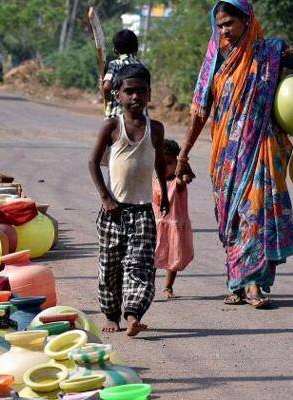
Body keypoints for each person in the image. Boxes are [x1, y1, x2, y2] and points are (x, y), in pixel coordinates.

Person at [176, 0, 293, 308]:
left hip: (263, 146)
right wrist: (183, 154)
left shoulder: (274, 51)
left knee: (257, 212)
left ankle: (255, 284)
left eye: (229, 23)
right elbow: (199, 111)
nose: (224, 31)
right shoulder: (216, 57)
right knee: (230, 218)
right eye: (219, 26)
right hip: (226, 155)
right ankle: (236, 281)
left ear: (247, 20)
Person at [88, 64, 168, 337]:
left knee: (140, 265)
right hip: (114, 211)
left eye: (141, 92)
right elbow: (92, 163)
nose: (135, 97)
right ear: (118, 96)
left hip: (143, 211)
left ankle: (133, 315)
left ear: (149, 95)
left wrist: (164, 194)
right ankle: (112, 314)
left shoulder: (155, 129)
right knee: (110, 266)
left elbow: (157, 161)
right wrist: (105, 198)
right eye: (129, 91)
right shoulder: (112, 126)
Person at [152, 139, 194, 299]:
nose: (164, 167)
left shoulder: (177, 182)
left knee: (173, 258)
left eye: (169, 163)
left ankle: (168, 287)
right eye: (161, 163)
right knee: (152, 258)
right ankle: (149, 286)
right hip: (157, 226)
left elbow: (185, 180)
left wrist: (184, 171)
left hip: (174, 227)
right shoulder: (155, 180)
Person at [102, 29, 144, 118]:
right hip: (140, 117)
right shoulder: (142, 66)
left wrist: (107, 97)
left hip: (117, 115)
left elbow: (106, 87)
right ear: (136, 48)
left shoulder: (115, 64)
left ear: (115, 50)